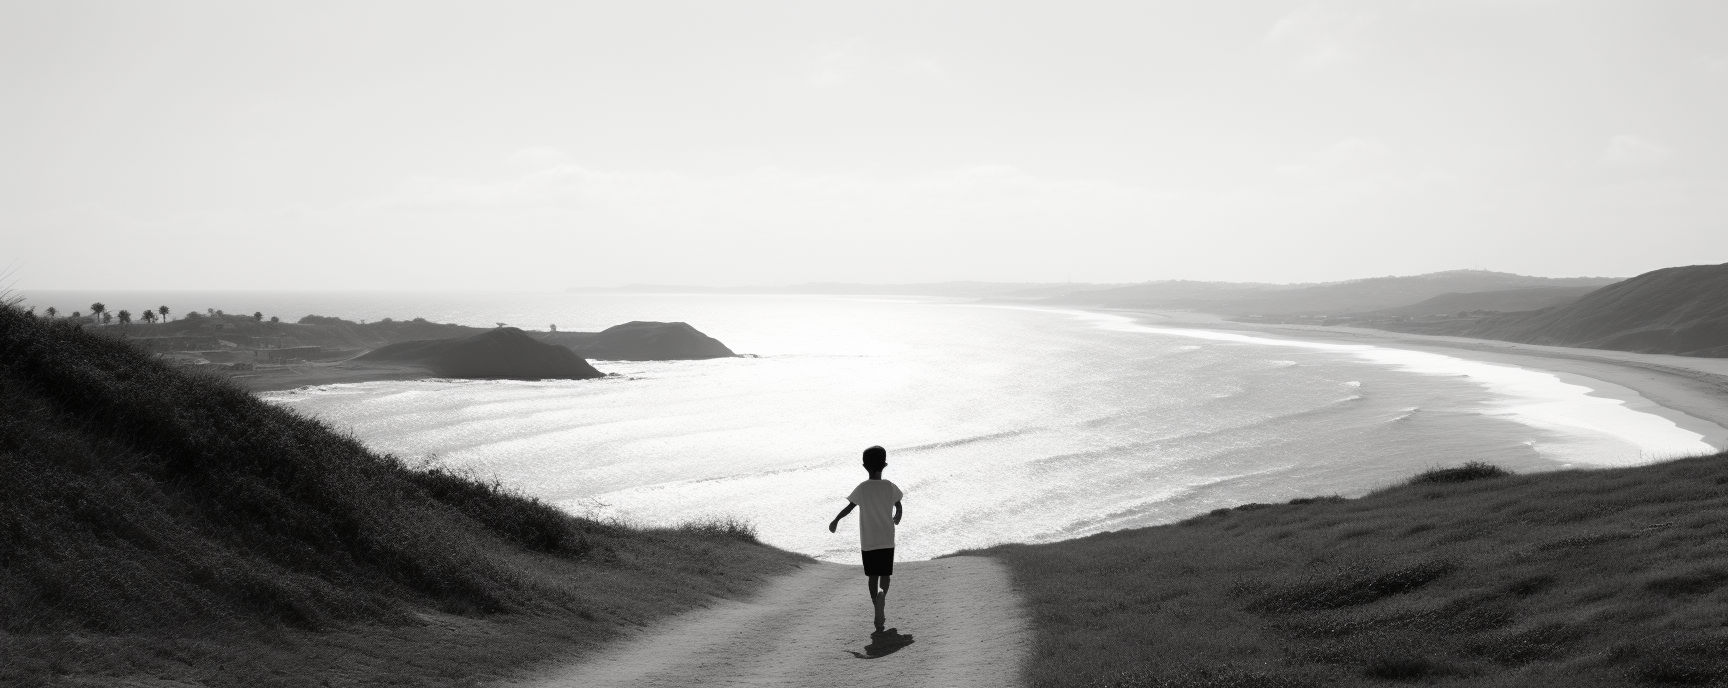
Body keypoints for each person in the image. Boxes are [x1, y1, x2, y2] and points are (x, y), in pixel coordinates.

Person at [828, 445, 904, 633]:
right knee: (885, 575)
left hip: (869, 542)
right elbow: (899, 504)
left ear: (864, 466)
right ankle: (882, 596)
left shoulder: (862, 488)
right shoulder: (889, 486)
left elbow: (849, 508)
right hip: (887, 539)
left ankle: (875, 604)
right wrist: (898, 516)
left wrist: (835, 520)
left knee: (872, 577)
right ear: (885, 464)